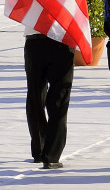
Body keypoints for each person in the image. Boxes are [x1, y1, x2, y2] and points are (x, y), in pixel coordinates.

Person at [23, 28, 75, 169]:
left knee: (35, 97)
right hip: (61, 41)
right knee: (60, 98)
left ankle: (39, 149)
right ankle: (51, 155)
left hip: (34, 41)